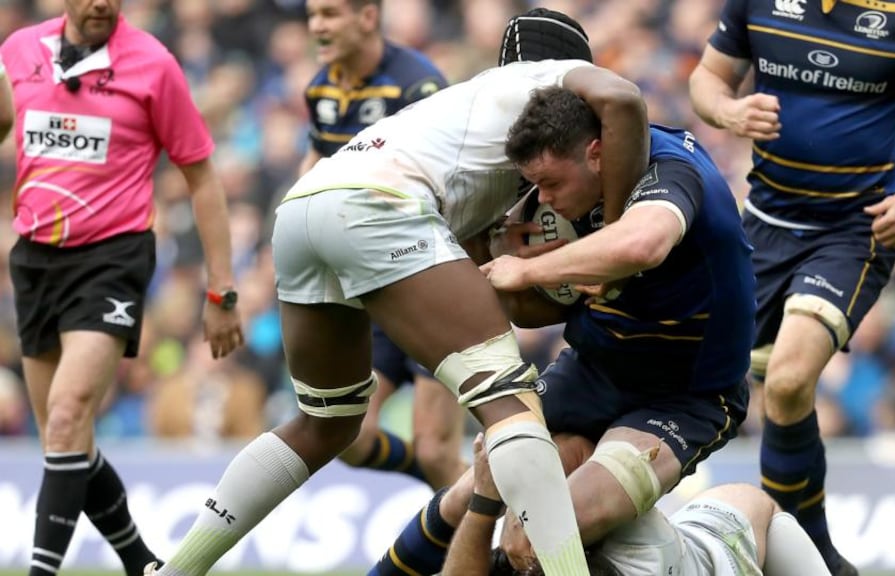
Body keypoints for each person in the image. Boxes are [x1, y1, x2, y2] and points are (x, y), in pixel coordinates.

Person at [147, 37, 649, 576]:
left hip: (303, 210)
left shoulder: (472, 123)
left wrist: (526, 259)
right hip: (378, 206)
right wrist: (612, 244)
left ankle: (175, 571)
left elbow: (481, 272)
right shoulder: (551, 76)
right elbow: (624, 99)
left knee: (327, 424)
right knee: (510, 405)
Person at [371, 81, 756, 576]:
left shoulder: (671, 166)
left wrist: (528, 270)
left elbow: (644, 244)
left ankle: (717, 555)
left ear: (596, 153)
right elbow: (533, 311)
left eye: (551, 184)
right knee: (471, 491)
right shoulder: (558, 204)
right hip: (591, 370)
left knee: (537, 536)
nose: (544, 198)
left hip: (685, 395)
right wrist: (510, 265)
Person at [688, 2, 895, 574]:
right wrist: (729, 112)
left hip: (857, 229)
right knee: (726, 383)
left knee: (787, 380)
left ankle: (809, 551)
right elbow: (706, 77)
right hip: (764, 225)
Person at [0, 1, 244, 575]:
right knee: (66, 443)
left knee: (66, 417)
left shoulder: (154, 65)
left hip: (112, 259)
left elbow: (202, 176)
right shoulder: (18, 52)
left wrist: (221, 291)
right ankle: (143, 564)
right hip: (35, 259)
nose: (102, 3)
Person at [301, 0, 462, 490]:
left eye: (329, 14)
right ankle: (460, 487)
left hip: (429, 286)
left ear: (367, 17)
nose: (317, 26)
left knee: (436, 446)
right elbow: (316, 161)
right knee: (347, 436)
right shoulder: (320, 88)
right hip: (373, 294)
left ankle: (479, 533)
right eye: (312, 15)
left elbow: (452, 184)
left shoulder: (419, 87)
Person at [441, 432, 831, 576]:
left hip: (742, 533)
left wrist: (500, 507)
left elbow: (574, 446)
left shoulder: (614, 528)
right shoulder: (536, 549)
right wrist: (484, 501)